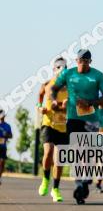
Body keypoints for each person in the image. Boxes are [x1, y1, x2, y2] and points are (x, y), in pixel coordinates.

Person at [51, 49, 103, 204]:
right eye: (81, 60)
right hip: (73, 118)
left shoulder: (98, 76)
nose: (83, 63)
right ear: (76, 60)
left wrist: (91, 103)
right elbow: (54, 88)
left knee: (88, 152)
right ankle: (79, 183)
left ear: (90, 61)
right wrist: (53, 100)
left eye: (87, 60)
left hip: (92, 119)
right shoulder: (68, 74)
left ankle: (86, 179)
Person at [37, 57, 69, 201]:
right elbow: (40, 96)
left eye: (64, 67)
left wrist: (63, 106)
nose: (62, 70)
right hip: (48, 123)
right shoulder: (47, 84)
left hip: (63, 126)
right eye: (59, 67)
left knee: (59, 160)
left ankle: (55, 189)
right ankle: (45, 179)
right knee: (48, 151)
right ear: (54, 69)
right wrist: (40, 108)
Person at [0, 109, 12, 186]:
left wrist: (6, 134)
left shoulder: (7, 126)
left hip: (3, 147)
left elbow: (11, 136)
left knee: (2, 163)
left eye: (3, 115)